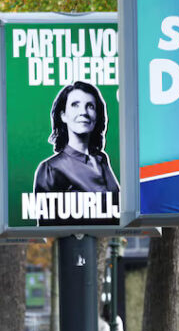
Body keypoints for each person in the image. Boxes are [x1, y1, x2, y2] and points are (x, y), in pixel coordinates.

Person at [32, 81, 119, 226]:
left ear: (97, 116)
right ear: (63, 115)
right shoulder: (50, 169)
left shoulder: (101, 160)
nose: (83, 112)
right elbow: (48, 227)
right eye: (75, 105)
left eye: (90, 106)